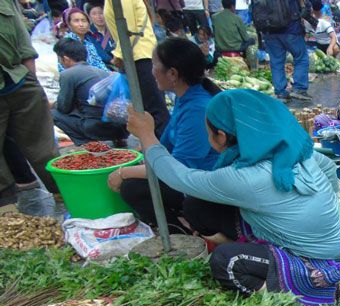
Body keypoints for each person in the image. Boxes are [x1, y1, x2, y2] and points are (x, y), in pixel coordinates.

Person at [125, 89, 340, 306]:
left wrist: (146, 136)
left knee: (225, 262)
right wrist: (325, 208)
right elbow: (330, 168)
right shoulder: (297, 150)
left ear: (221, 136)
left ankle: (301, 294)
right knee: (197, 206)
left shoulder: (248, 178)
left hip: (321, 262)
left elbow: (181, 178)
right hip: (338, 248)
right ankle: (269, 262)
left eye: (208, 132)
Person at [108, 38, 221, 231]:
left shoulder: (198, 109)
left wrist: (123, 172)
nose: (151, 71)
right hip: (188, 175)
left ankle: (179, 232)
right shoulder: (185, 98)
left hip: (203, 183)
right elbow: (167, 145)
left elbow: (179, 169)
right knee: (136, 176)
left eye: (154, 65)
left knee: (131, 187)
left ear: (173, 73)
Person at [0, 0, 60, 207]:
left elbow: (23, 40)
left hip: (19, 80)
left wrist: (31, 79)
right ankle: (7, 215)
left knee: (44, 148)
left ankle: (65, 195)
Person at [104, 0, 171, 136]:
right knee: (153, 107)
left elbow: (128, 30)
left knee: (154, 109)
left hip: (140, 57)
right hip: (141, 55)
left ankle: (162, 150)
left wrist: (119, 55)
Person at [51, 38, 127, 145]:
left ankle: (85, 143)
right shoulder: (102, 72)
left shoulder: (67, 74)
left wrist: (52, 104)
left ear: (65, 59)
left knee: (53, 113)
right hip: (119, 128)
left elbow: (64, 107)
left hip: (95, 128)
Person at [254, 0, 312, 101]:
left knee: (276, 62)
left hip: (269, 32)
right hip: (291, 29)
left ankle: (280, 93)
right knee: (301, 58)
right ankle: (299, 89)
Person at [85, 2, 115, 66]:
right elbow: (96, 50)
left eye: (101, 13)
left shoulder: (112, 28)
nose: (99, 17)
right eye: (94, 14)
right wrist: (111, 60)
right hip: (103, 65)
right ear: (89, 16)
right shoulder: (89, 33)